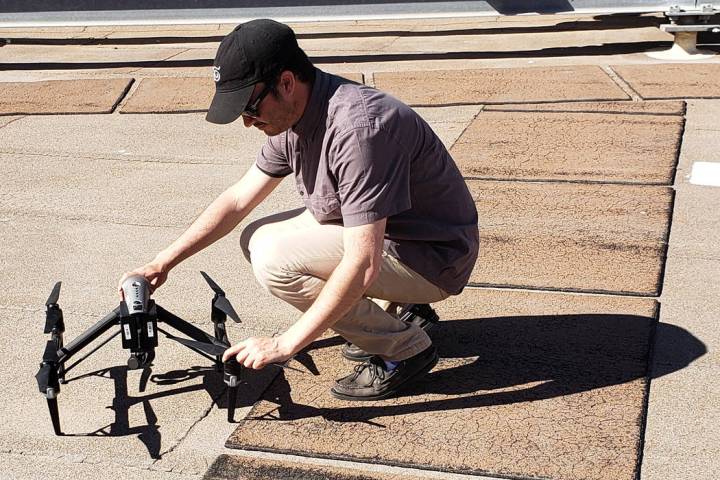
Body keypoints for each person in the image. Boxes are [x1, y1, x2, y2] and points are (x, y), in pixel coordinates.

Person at [119, 19, 478, 401]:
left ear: (287, 82)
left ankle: (404, 349)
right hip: (397, 236)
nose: (246, 122)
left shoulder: (357, 131)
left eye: (250, 107)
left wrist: (285, 344)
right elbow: (239, 199)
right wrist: (162, 262)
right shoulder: (295, 114)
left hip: (432, 260)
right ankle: (392, 314)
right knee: (256, 238)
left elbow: (363, 262)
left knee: (276, 260)